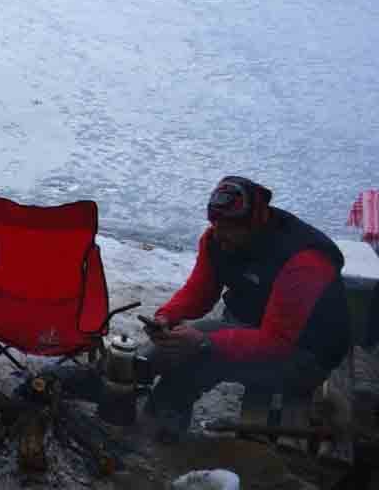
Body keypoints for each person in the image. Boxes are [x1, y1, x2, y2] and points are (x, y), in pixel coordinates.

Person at [143, 176, 351, 442]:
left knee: (199, 354)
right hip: (252, 327)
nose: (219, 233)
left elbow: (277, 343)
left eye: (229, 227)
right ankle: (120, 373)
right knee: (178, 342)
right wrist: (166, 316)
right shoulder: (217, 239)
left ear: (255, 223)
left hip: (304, 356)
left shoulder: (304, 259)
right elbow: (199, 293)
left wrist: (207, 342)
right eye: (215, 223)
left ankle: (160, 426)